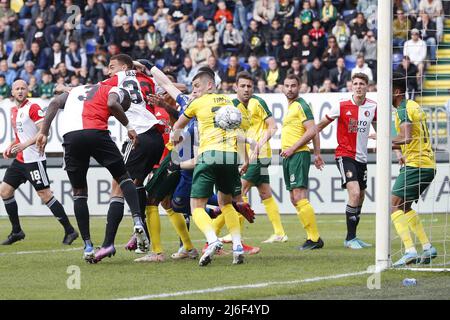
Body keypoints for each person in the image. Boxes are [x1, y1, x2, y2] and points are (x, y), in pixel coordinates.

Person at [36, 84, 148, 263]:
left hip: (71, 137)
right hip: (96, 132)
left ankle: (88, 246)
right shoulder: (115, 90)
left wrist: (43, 131)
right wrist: (129, 126)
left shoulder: (74, 91)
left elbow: (55, 103)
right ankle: (137, 220)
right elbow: (113, 104)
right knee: (123, 177)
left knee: (79, 192)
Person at [171, 67, 247, 266]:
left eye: (197, 85)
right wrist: (245, 157)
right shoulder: (230, 102)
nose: (194, 90)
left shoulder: (198, 102)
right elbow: (240, 133)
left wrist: (175, 141)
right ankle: (237, 246)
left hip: (209, 155)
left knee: (196, 205)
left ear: (210, 85)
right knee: (226, 203)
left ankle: (213, 240)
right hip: (231, 155)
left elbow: (178, 125)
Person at [94, 54, 165, 262]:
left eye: (112, 66)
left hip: (139, 136)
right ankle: (140, 233)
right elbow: (176, 85)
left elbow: (90, 92)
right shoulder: (147, 80)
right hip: (156, 137)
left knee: (118, 186)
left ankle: (108, 243)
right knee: (136, 184)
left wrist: (67, 91)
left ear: (124, 67)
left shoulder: (118, 79)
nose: (109, 71)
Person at [294, 73, 377, 249]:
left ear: (367, 87)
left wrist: (381, 138)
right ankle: (349, 239)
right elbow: (320, 126)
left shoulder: (373, 107)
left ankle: (354, 236)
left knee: (360, 196)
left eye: (362, 83)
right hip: (344, 154)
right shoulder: (341, 106)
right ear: (351, 86)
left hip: (362, 157)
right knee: (354, 193)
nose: (358, 86)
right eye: (355, 83)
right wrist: (313, 147)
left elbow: (380, 128)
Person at [0, 80, 78, 246]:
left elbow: (44, 131)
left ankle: (70, 230)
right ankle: (17, 231)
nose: (20, 91)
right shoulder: (14, 110)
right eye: (17, 89)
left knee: (45, 195)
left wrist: (23, 145)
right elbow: (20, 137)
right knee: (5, 191)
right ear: (12, 92)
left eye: (23, 88)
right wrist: (11, 146)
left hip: (34, 161)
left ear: (28, 90)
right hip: (20, 160)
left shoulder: (32, 108)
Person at [389, 76, 437, 267]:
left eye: (388, 89)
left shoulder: (402, 109)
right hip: (426, 164)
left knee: (393, 206)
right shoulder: (413, 105)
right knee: (405, 206)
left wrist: (385, 140)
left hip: (417, 165)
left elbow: (406, 137)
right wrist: (398, 150)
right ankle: (427, 247)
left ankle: (409, 251)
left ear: (397, 92)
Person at [234, 71, 287, 243]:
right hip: (251, 156)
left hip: (259, 155)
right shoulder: (236, 106)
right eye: (243, 86)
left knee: (238, 192)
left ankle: (235, 234)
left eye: (249, 86)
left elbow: (273, 126)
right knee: (265, 193)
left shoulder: (257, 102)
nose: (246, 89)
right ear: (236, 87)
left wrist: (260, 144)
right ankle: (279, 232)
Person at [279, 74, 324, 250]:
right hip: (289, 156)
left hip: (298, 154)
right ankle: (310, 236)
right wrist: (318, 154)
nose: (290, 89)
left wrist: (293, 149)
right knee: (293, 197)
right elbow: (315, 131)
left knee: (299, 195)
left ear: (299, 87)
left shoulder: (301, 105)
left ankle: (314, 239)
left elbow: (312, 130)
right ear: (283, 87)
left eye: (293, 86)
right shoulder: (291, 106)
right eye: (287, 85)